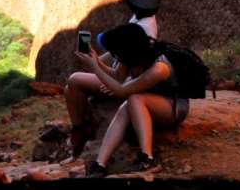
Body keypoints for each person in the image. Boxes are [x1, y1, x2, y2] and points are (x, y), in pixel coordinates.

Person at [63, 0, 163, 158]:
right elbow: (121, 54)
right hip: (123, 78)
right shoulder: (144, 19)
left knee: (73, 81)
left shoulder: (141, 30)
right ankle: (79, 127)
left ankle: (80, 130)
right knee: (69, 88)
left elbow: (124, 73)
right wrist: (97, 59)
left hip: (126, 84)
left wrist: (97, 66)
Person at [74, 23, 189, 177]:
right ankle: (99, 164)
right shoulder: (130, 57)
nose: (113, 55)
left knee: (134, 99)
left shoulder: (159, 68)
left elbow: (122, 90)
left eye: (115, 52)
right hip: (149, 98)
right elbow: (117, 76)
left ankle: (147, 158)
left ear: (126, 51)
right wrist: (97, 61)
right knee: (126, 107)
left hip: (174, 106)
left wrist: (94, 68)